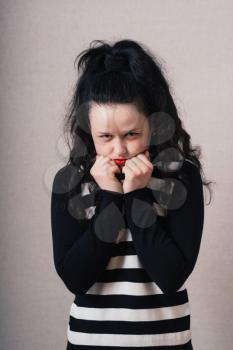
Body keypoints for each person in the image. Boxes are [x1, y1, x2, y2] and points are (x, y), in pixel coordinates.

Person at [50, 39, 212, 349]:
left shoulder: (181, 178)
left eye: (132, 134)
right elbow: (76, 279)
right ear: (88, 132)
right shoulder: (71, 182)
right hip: (90, 343)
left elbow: (171, 276)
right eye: (105, 137)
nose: (119, 149)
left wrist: (136, 195)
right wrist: (111, 197)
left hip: (167, 343)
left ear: (153, 125)